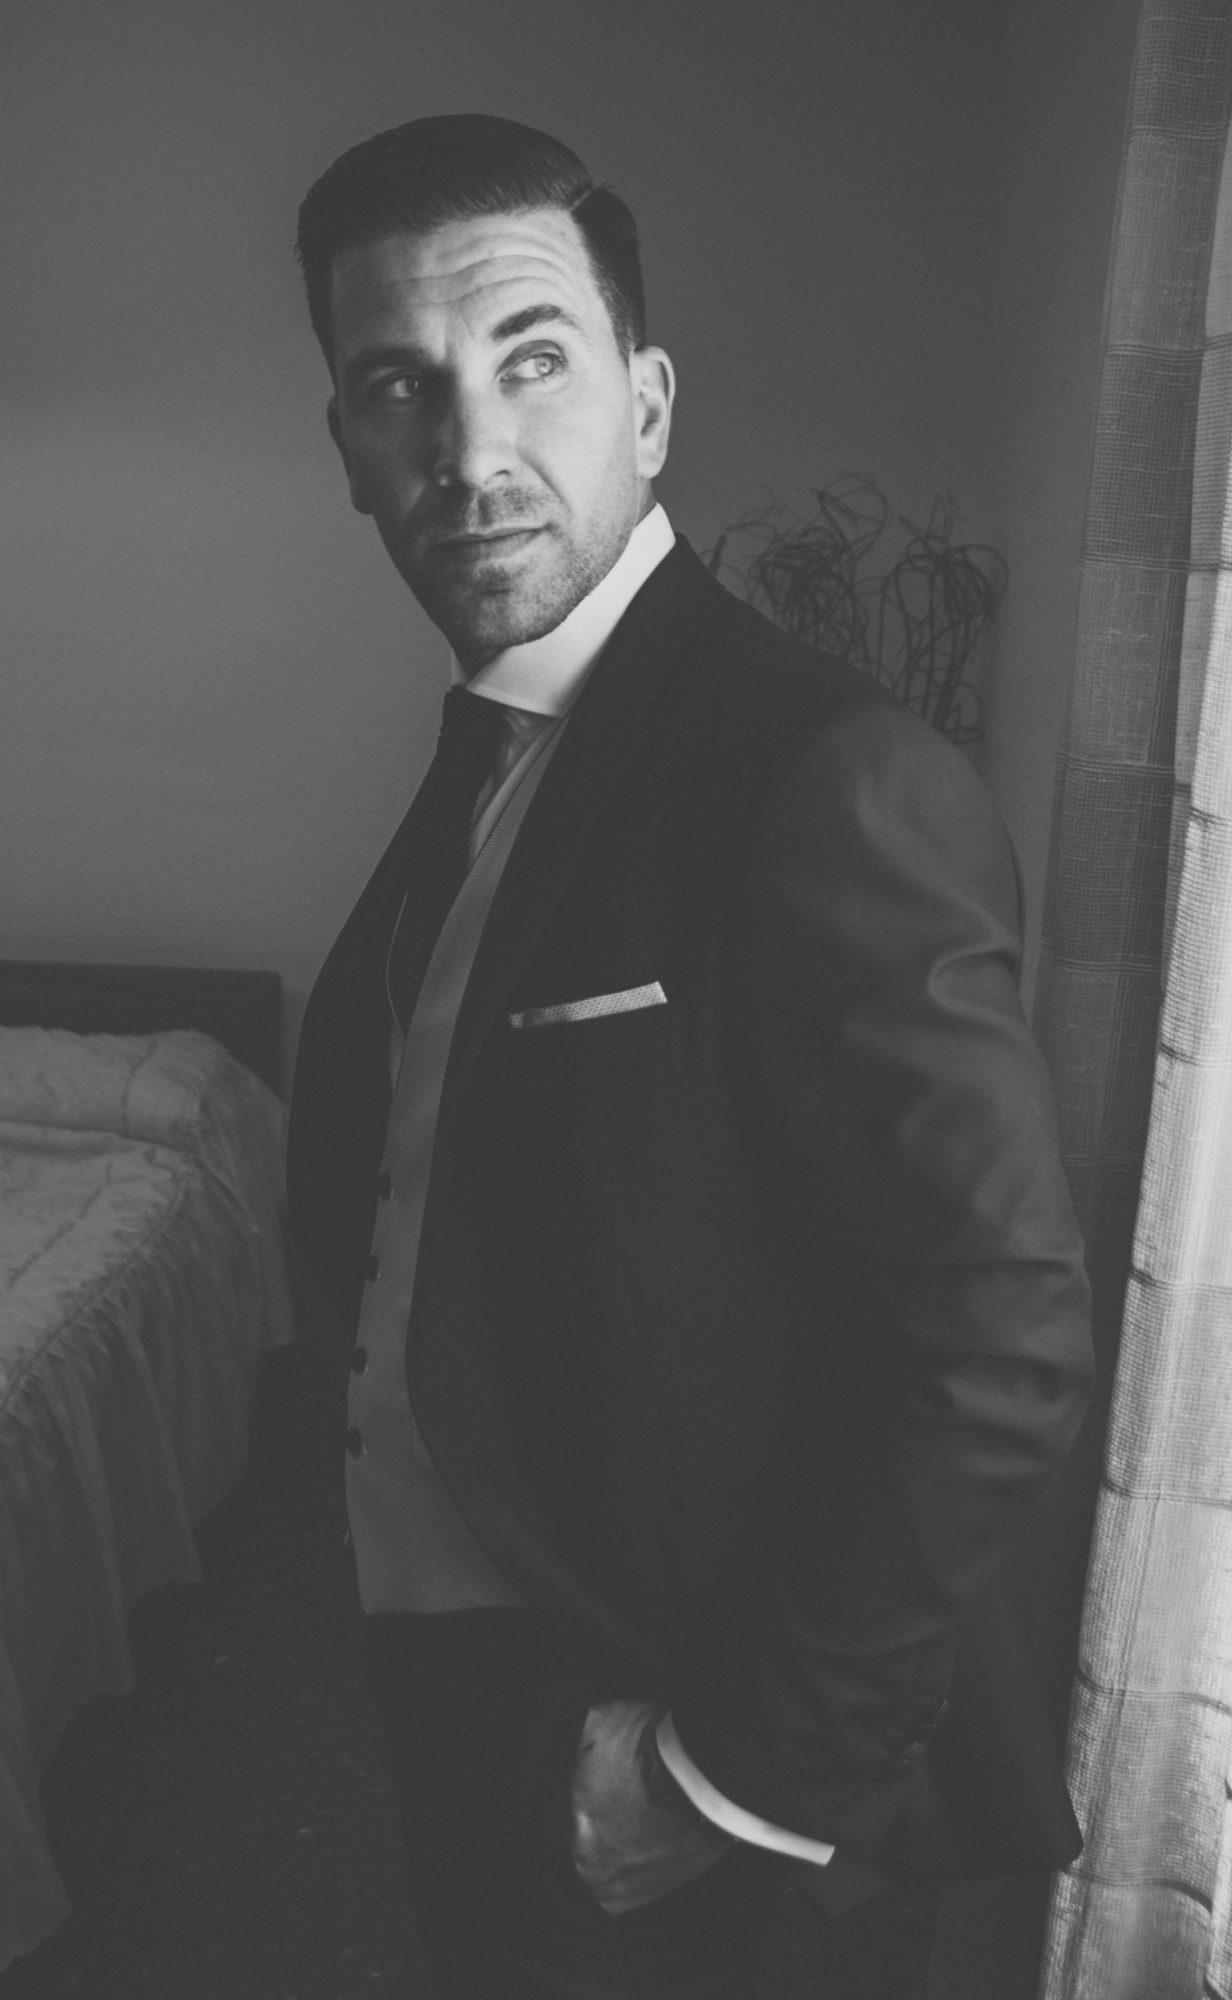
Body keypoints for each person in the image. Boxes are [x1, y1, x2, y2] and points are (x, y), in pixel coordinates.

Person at [286, 112, 1094, 2000]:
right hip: (473, 1672)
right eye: (399, 387)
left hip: (685, 1741)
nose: (469, 452)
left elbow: (996, 1341)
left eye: (532, 361)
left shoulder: (824, 770)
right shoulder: (495, 756)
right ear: (345, 446)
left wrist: (725, 1779)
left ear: (647, 406)